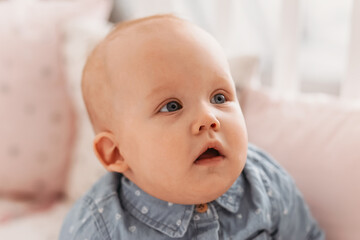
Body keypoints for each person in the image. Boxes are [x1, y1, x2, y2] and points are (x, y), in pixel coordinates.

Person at [59, 14, 324, 239]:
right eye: (171, 106)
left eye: (219, 98)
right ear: (116, 153)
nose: (209, 118)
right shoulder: (100, 228)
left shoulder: (264, 182)